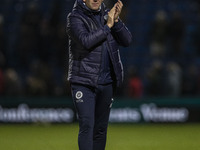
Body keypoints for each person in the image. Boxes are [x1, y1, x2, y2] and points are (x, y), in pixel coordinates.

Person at [66, 0, 132, 150]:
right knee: (87, 125)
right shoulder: (75, 18)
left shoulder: (107, 15)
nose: (96, 0)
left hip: (107, 82)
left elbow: (127, 41)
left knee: (101, 129)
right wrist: (108, 26)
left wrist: (116, 21)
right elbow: (86, 41)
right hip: (83, 81)